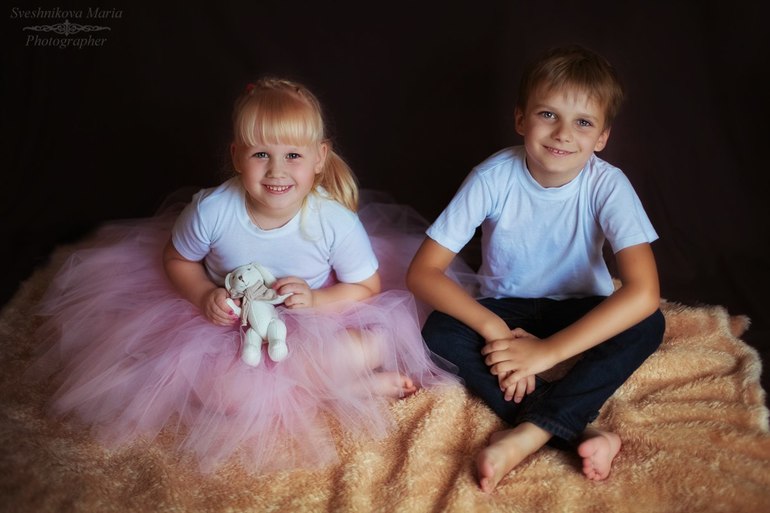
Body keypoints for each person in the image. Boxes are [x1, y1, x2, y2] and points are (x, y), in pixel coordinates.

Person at [31, 77, 457, 474]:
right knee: (222, 392)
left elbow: (368, 286)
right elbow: (177, 260)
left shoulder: (333, 221)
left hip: (316, 320)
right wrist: (203, 295)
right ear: (237, 156)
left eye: (293, 155)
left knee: (375, 344)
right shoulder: (212, 211)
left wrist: (316, 300)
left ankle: (332, 385)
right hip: (232, 328)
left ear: (319, 158)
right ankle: (341, 389)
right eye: (261, 155)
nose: (277, 171)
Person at [406, 45, 665, 493]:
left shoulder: (608, 185)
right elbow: (422, 273)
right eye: (548, 115)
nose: (563, 134)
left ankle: (526, 435)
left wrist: (547, 353)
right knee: (439, 333)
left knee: (648, 323)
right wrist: (494, 330)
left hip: (580, 307)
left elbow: (643, 291)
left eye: (583, 123)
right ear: (521, 119)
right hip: (505, 308)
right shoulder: (492, 177)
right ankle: (577, 429)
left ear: (602, 137)